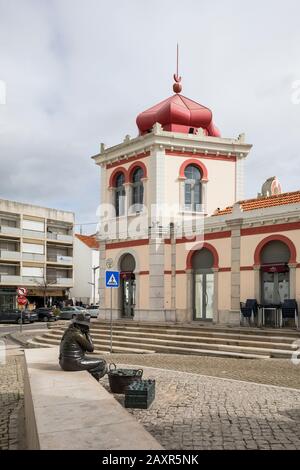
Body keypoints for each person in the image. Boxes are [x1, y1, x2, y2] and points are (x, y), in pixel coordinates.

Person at [59, 314, 107, 380]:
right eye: (86, 326)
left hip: (63, 363)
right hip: (73, 363)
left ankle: (91, 376)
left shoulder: (68, 331)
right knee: (102, 363)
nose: (87, 327)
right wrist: (88, 333)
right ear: (80, 325)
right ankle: (91, 379)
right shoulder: (77, 334)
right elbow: (91, 348)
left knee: (90, 359)